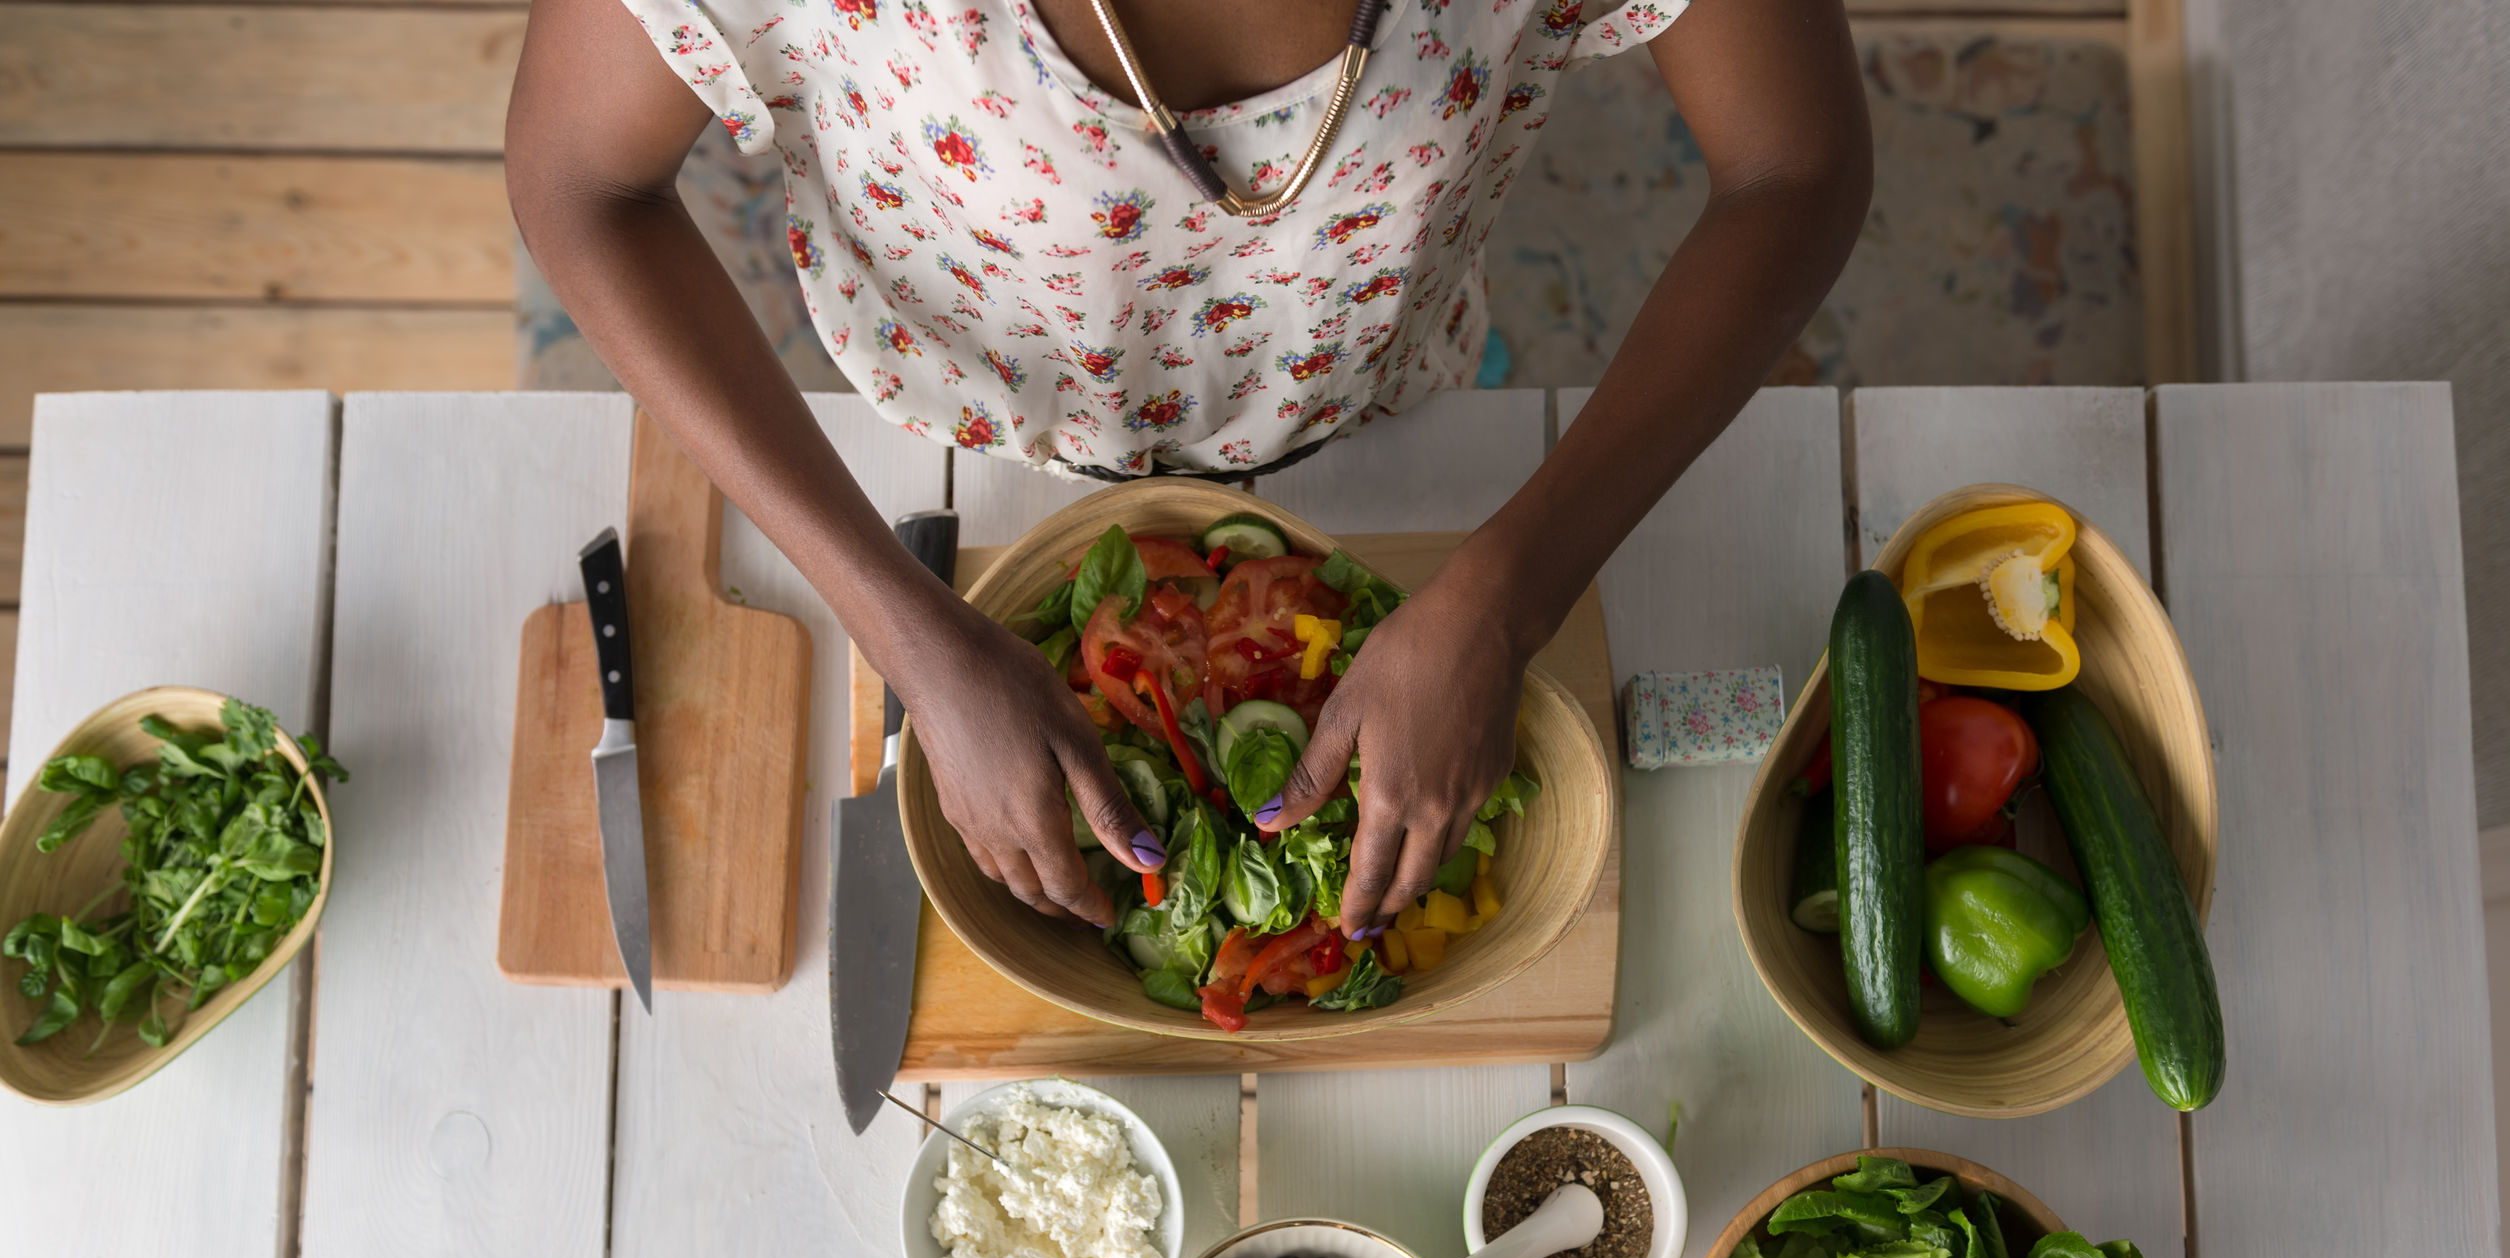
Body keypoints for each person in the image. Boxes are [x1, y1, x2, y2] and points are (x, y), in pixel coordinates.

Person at [506, 0, 1869, 934]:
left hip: (1386, 407)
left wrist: (1510, 594)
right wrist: (907, 639)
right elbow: (581, 184)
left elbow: (1795, 166)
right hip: (946, 441)